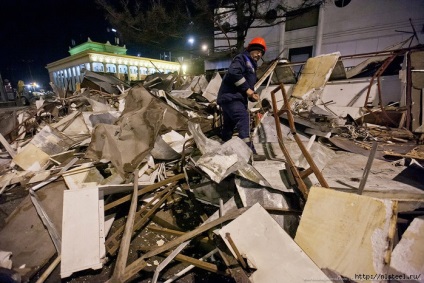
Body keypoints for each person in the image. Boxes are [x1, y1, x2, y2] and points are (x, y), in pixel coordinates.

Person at [217, 37, 266, 158]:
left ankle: (222, 149)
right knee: (243, 119)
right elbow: (234, 73)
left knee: (228, 126)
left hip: (233, 98)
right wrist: (247, 90)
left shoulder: (252, 66)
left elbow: (247, 86)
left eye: (261, 53)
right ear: (251, 49)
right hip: (231, 98)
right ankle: (249, 153)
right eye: (257, 51)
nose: (259, 54)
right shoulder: (242, 58)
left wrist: (252, 96)